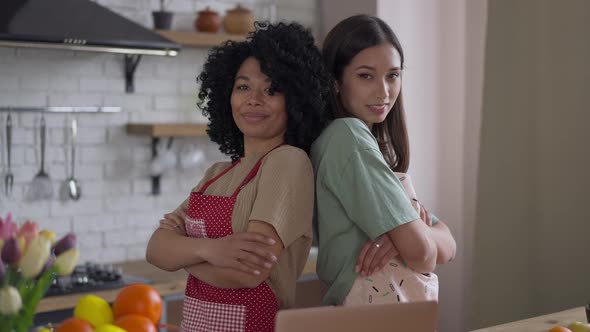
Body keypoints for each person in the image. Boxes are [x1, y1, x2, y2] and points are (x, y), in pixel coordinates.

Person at [146, 22, 330, 331]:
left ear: (296, 100)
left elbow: (247, 273)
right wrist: (211, 251)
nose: (253, 99)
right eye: (243, 86)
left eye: (272, 89)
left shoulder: (288, 162)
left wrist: (180, 254)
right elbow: (154, 249)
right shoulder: (215, 174)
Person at [310, 15, 457, 306]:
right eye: (366, 75)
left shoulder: (358, 143)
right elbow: (424, 255)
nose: (384, 91)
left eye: (393, 75)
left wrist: (405, 235)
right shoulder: (348, 137)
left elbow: (449, 244)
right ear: (336, 81)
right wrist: (412, 233)